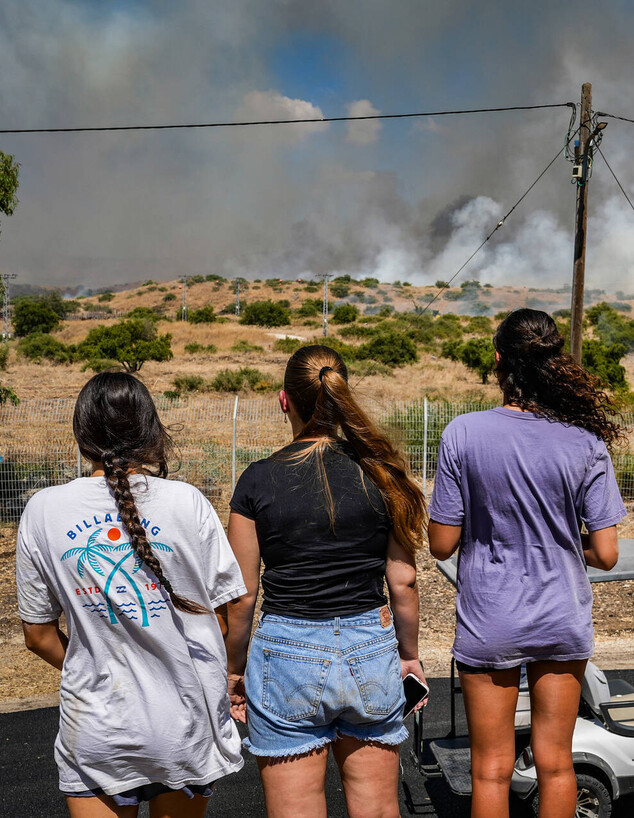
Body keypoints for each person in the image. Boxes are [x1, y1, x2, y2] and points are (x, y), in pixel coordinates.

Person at [16, 372, 246, 818]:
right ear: (151, 431)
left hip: (99, 726)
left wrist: (95, 663)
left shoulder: (43, 510)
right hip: (185, 723)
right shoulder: (187, 502)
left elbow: (37, 635)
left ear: (81, 435)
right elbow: (231, 608)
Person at [428, 308, 627, 818]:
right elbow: (606, 554)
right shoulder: (586, 441)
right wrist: (560, 543)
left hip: (491, 615)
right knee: (556, 764)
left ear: (499, 361)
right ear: (555, 361)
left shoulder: (463, 433)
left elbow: (441, 544)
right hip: (562, 614)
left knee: (490, 769)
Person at [224, 344, 428, 818]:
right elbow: (403, 582)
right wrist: (410, 655)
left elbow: (243, 595)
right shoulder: (381, 474)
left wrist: (233, 669)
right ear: (342, 395)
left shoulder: (256, 481)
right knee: (378, 809)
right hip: (371, 650)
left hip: (286, 654)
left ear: (284, 400)